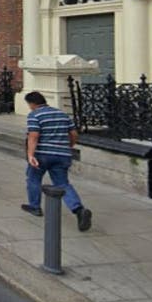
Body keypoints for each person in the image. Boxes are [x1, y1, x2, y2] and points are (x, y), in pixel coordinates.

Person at [21, 91, 92, 231]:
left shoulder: (34, 115)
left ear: (32, 104)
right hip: (62, 155)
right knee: (62, 184)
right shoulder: (62, 114)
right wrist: (69, 146)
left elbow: (33, 136)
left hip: (42, 154)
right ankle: (78, 209)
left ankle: (35, 207)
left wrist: (30, 155)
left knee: (33, 179)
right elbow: (73, 134)